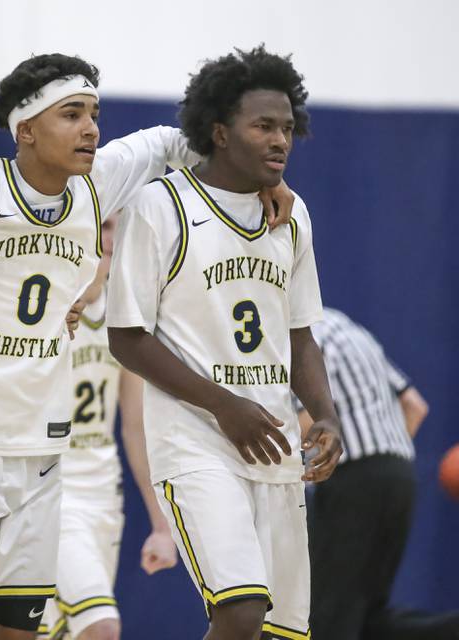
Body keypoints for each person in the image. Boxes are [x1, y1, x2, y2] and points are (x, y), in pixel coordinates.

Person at [0, 53, 293, 640]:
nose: (91, 129)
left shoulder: (101, 179)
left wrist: (270, 177)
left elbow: (178, 140)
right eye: (72, 114)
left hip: (48, 456)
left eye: (95, 114)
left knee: (18, 630)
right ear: (26, 129)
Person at [106, 45, 343, 640]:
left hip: (274, 440)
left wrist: (326, 414)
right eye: (263, 126)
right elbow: (128, 338)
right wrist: (223, 404)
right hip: (196, 441)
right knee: (239, 611)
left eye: (287, 128)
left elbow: (299, 333)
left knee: (280, 632)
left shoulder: (292, 214)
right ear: (219, 130)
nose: (280, 140)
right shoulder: (160, 206)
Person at [38, 218, 178, 640]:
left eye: (119, 229)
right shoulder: (44, 308)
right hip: (50, 494)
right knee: (100, 627)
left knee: (57, 632)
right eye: (103, 226)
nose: (112, 240)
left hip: (103, 496)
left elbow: (135, 428)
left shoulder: (124, 317)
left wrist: (161, 522)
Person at [297, 307, 459, 640]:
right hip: (399, 474)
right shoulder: (347, 328)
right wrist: (381, 463)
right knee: (367, 618)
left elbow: (307, 424)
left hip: (352, 480)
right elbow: (415, 406)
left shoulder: (294, 336)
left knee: (326, 617)